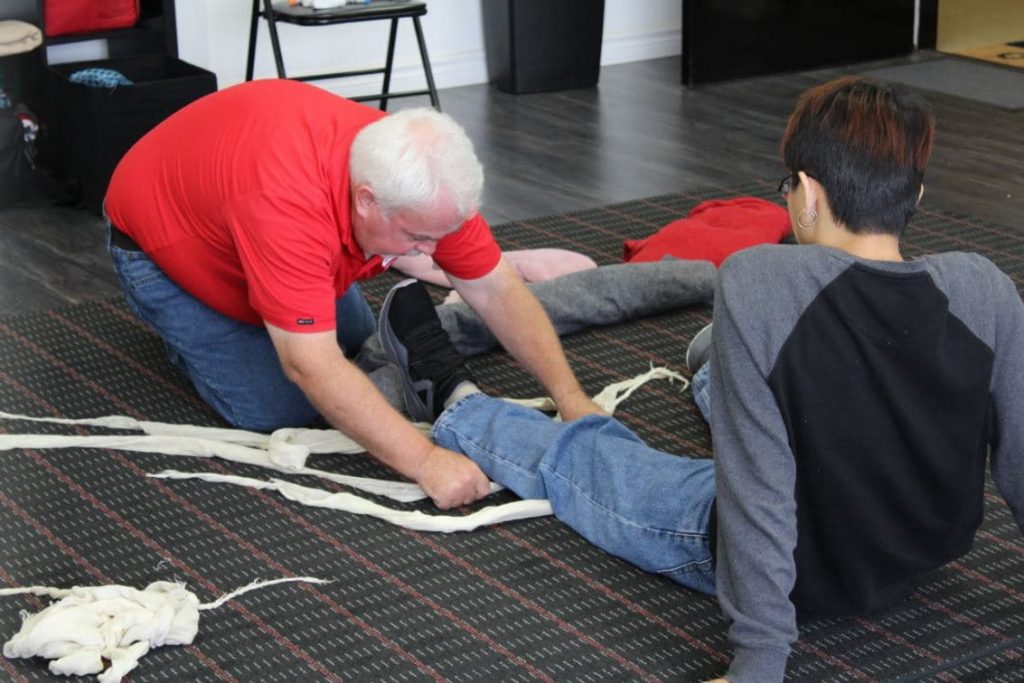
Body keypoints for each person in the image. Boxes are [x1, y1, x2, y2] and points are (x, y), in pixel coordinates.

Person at [377, 76, 1024, 683]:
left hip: (797, 563)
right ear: (915, 195)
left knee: (593, 459)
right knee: (739, 359)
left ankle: (457, 403)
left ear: (808, 192)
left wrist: (760, 663)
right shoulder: (984, 287)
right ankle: (717, 372)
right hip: (920, 550)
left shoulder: (762, 282)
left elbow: (758, 487)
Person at [103, 79, 602, 511]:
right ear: (366, 201)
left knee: (360, 346)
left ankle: (277, 307)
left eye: (436, 239)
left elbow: (497, 289)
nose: (433, 254)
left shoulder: (422, 179)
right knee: (279, 409)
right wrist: (425, 461)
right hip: (157, 246)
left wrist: (572, 397)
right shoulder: (288, 209)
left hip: (254, 207)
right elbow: (310, 366)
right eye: (417, 240)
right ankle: (182, 331)